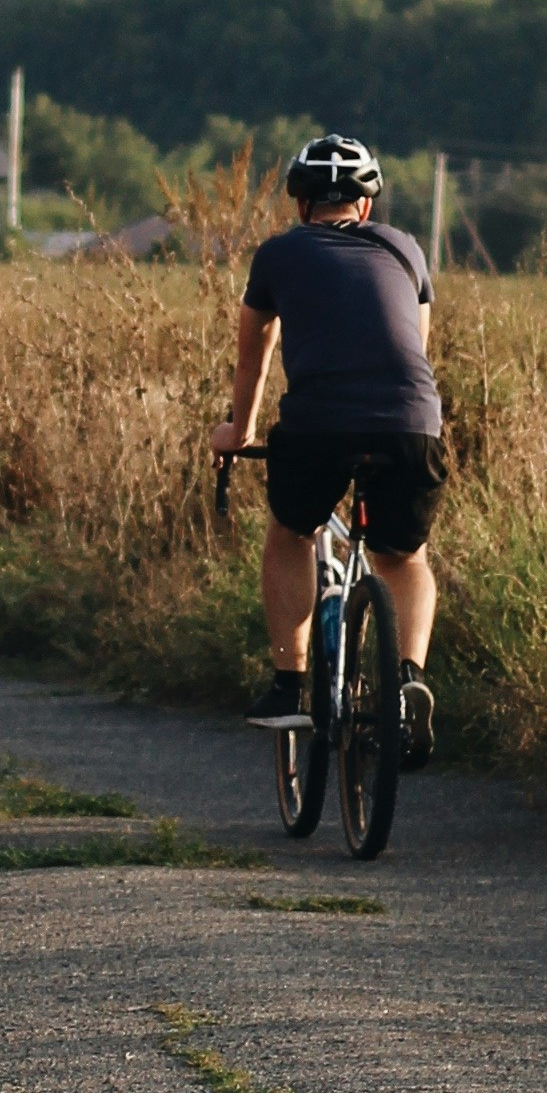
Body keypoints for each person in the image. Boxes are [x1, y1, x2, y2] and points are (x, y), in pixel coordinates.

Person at [215, 131, 443, 745]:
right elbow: (415, 348)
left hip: (317, 423)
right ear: (366, 206)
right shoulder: (406, 249)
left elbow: (253, 358)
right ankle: (408, 682)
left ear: (300, 204)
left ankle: (288, 685)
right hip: (409, 422)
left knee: (293, 533)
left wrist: (237, 432)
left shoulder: (278, 255)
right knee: (406, 558)